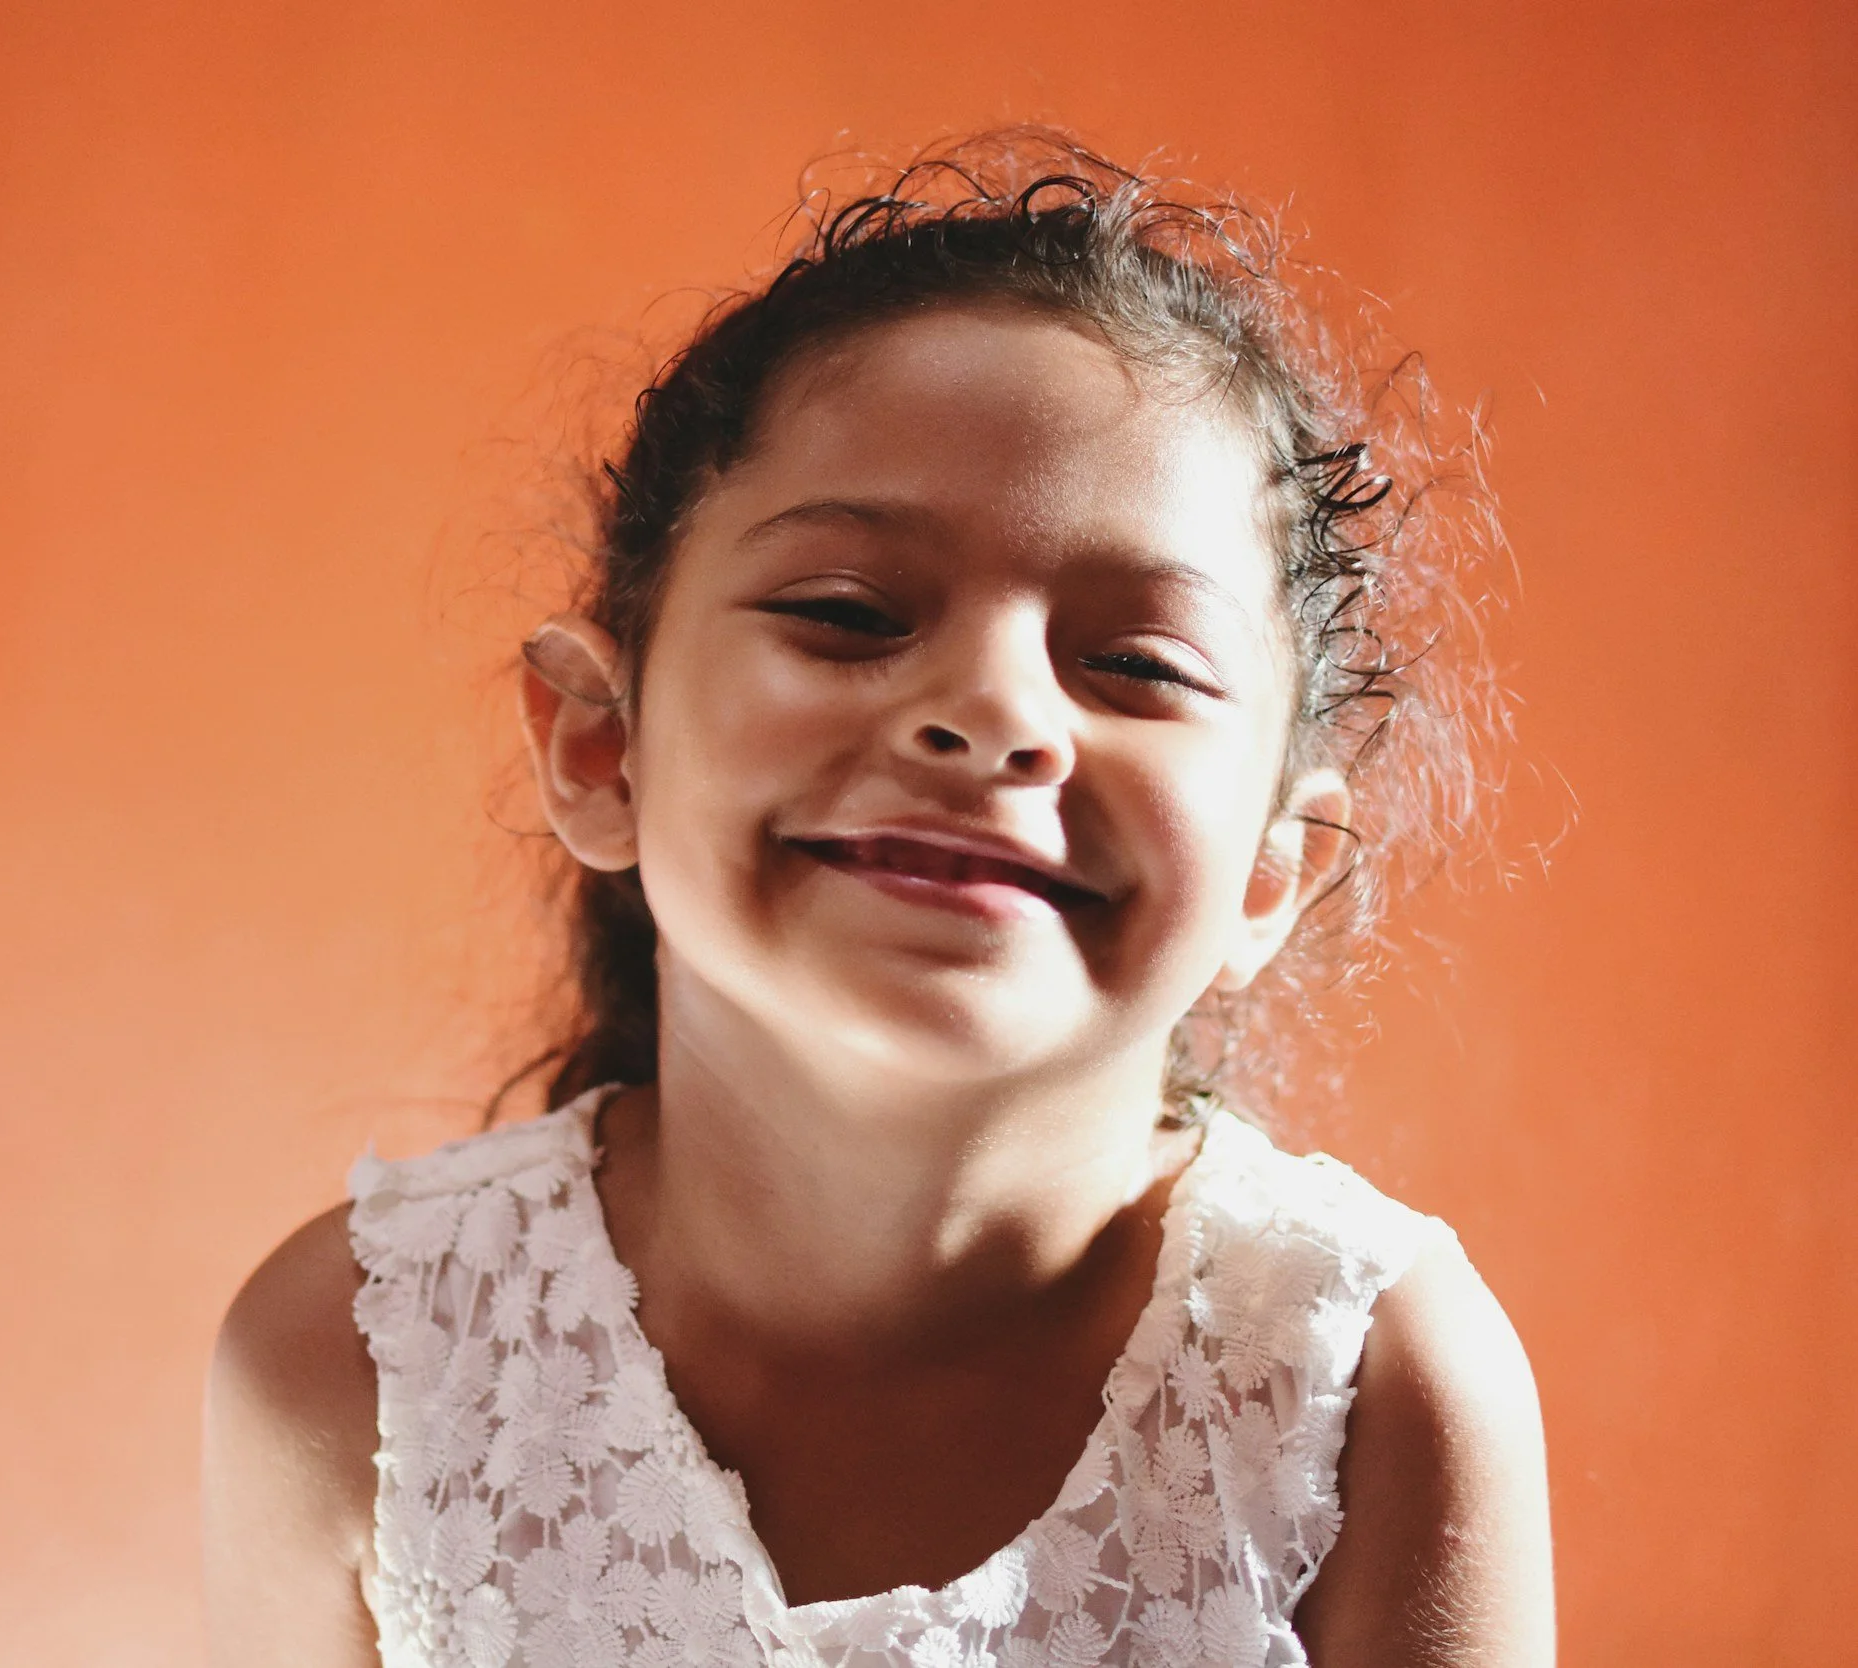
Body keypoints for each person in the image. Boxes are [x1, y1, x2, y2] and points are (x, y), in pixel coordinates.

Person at [202, 129, 1554, 1668]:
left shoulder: (1367, 1379)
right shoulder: (361, 1359)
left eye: (1134, 664)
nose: (992, 709)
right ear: (600, 746)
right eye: (849, 614)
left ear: (1269, 875)